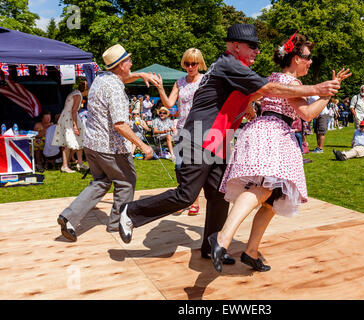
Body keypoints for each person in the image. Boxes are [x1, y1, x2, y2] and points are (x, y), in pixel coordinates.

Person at [118, 24, 343, 266]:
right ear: (235, 46)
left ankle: (211, 246)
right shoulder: (229, 63)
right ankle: (130, 212)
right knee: (186, 195)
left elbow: (252, 96)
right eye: (252, 46)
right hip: (196, 135)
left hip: (218, 138)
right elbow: (268, 88)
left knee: (218, 195)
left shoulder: (239, 68)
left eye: (258, 46)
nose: (257, 51)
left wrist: (247, 110)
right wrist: (317, 89)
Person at [207, 32, 351, 273]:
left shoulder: (272, 78)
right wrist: (326, 95)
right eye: (308, 57)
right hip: (274, 134)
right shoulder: (293, 84)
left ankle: (251, 251)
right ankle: (221, 238)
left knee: (273, 200)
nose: (311, 61)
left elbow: (253, 96)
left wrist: (252, 106)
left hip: (261, 131)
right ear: (295, 59)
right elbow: (306, 114)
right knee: (263, 189)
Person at [57, 44, 157, 242]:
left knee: (101, 182)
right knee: (127, 181)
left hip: (92, 145)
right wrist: (144, 145)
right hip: (110, 147)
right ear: (120, 65)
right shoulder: (115, 90)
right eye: (128, 61)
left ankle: (68, 217)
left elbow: (122, 78)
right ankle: (117, 223)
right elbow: (120, 125)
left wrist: (139, 75)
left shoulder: (101, 79)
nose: (131, 63)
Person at [153, 48, 208, 216]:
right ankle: (185, 198)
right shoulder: (180, 82)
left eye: (193, 63)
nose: (190, 67)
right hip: (182, 128)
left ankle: (194, 201)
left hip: (200, 128)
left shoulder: (205, 80)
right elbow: (169, 104)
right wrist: (161, 88)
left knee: (194, 167)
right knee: (180, 167)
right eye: (187, 63)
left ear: (200, 64)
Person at [52, 80, 89, 173]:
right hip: (70, 119)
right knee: (68, 143)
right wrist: (75, 126)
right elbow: (74, 111)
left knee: (79, 140)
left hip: (68, 117)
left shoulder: (75, 93)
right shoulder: (78, 95)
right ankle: (64, 166)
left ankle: (79, 163)